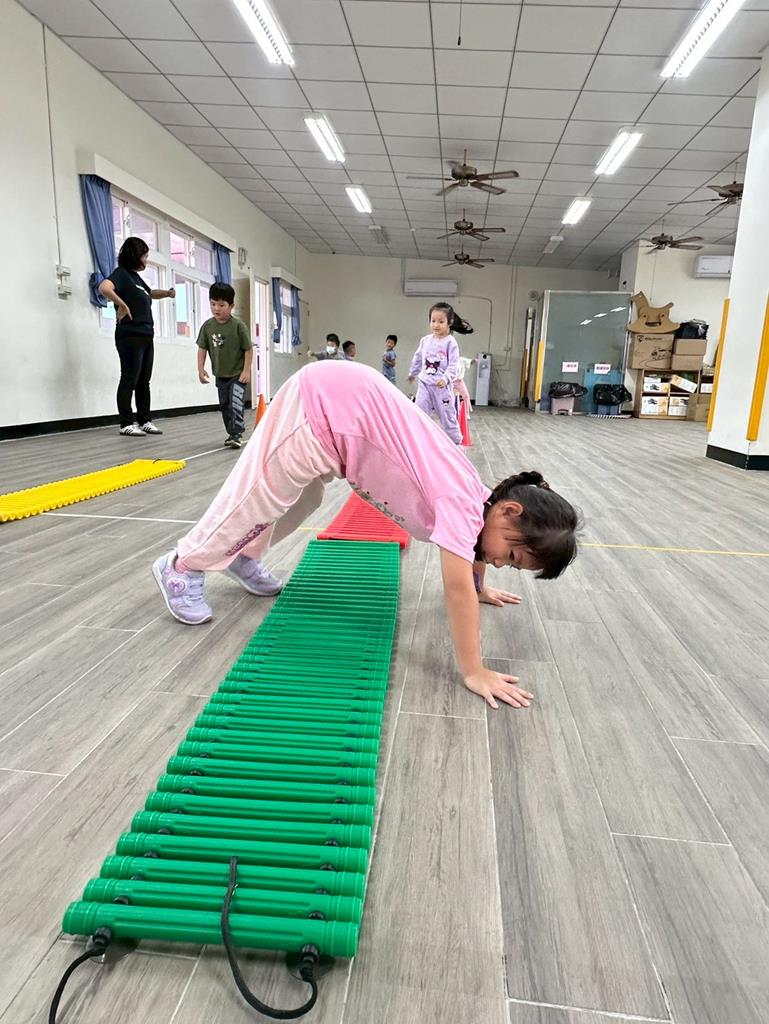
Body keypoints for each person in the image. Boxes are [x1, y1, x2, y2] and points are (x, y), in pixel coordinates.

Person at [152, 361, 579, 710]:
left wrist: (481, 585)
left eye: (512, 566)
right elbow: (456, 590)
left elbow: (477, 549)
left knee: (305, 498)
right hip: (323, 409)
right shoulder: (459, 502)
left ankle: (242, 555)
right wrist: (474, 670)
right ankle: (182, 565)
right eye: (512, 556)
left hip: (341, 416)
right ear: (509, 511)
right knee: (258, 496)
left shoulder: (482, 506)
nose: (501, 563)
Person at [99, 237, 176, 436]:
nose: (146, 260)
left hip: (146, 335)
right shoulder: (121, 274)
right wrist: (122, 304)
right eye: (144, 256)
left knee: (144, 381)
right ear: (134, 256)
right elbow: (104, 288)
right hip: (129, 335)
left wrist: (167, 293)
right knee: (129, 378)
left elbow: (150, 293)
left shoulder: (136, 278)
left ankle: (144, 420)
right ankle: (126, 423)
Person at [197, 282, 252, 450]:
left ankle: (237, 434)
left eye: (221, 305)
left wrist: (246, 371)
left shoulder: (238, 326)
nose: (216, 308)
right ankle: (231, 433)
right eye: (213, 304)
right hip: (220, 375)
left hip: (237, 375)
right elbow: (202, 348)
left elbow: (248, 349)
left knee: (235, 404)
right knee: (225, 406)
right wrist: (200, 369)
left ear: (231, 306)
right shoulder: (207, 326)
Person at [407, 303, 462, 444]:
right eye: (433, 321)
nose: (436, 325)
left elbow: (454, 364)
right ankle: (419, 441)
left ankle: (455, 442)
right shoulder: (425, 340)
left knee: (447, 415)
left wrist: (446, 378)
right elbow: (418, 357)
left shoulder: (451, 343)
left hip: (441, 387)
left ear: (449, 322)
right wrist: (413, 372)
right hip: (424, 384)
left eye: (441, 322)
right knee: (419, 412)